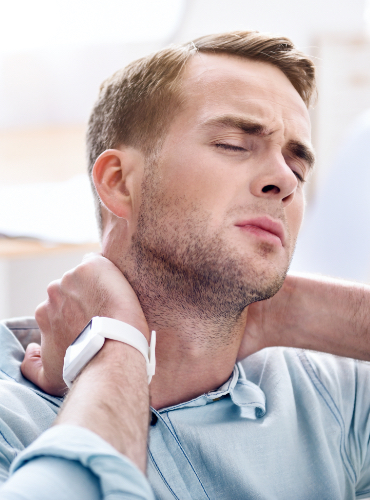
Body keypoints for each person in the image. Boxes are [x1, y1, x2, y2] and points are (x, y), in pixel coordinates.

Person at [1, 31, 370, 499]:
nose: (285, 180)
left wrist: (291, 308)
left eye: (297, 168)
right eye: (235, 143)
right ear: (119, 182)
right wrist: (116, 351)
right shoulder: (11, 416)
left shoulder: (324, 394)